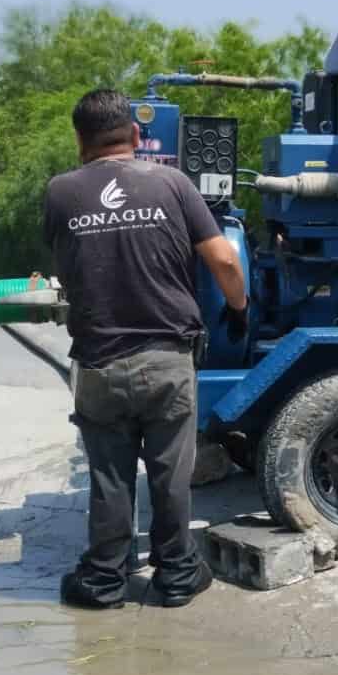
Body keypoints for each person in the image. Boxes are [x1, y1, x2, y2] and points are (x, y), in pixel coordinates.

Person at [46, 90, 248, 610]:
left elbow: (66, 267)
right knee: (169, 475)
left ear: (80, 140)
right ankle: (177, 574)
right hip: (166, 359)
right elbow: (226, 261)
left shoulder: (60, 192)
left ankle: (104, 579)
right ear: (135, 135)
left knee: (110, 477)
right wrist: (239, 308)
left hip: (99, 362)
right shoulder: (173, 183)